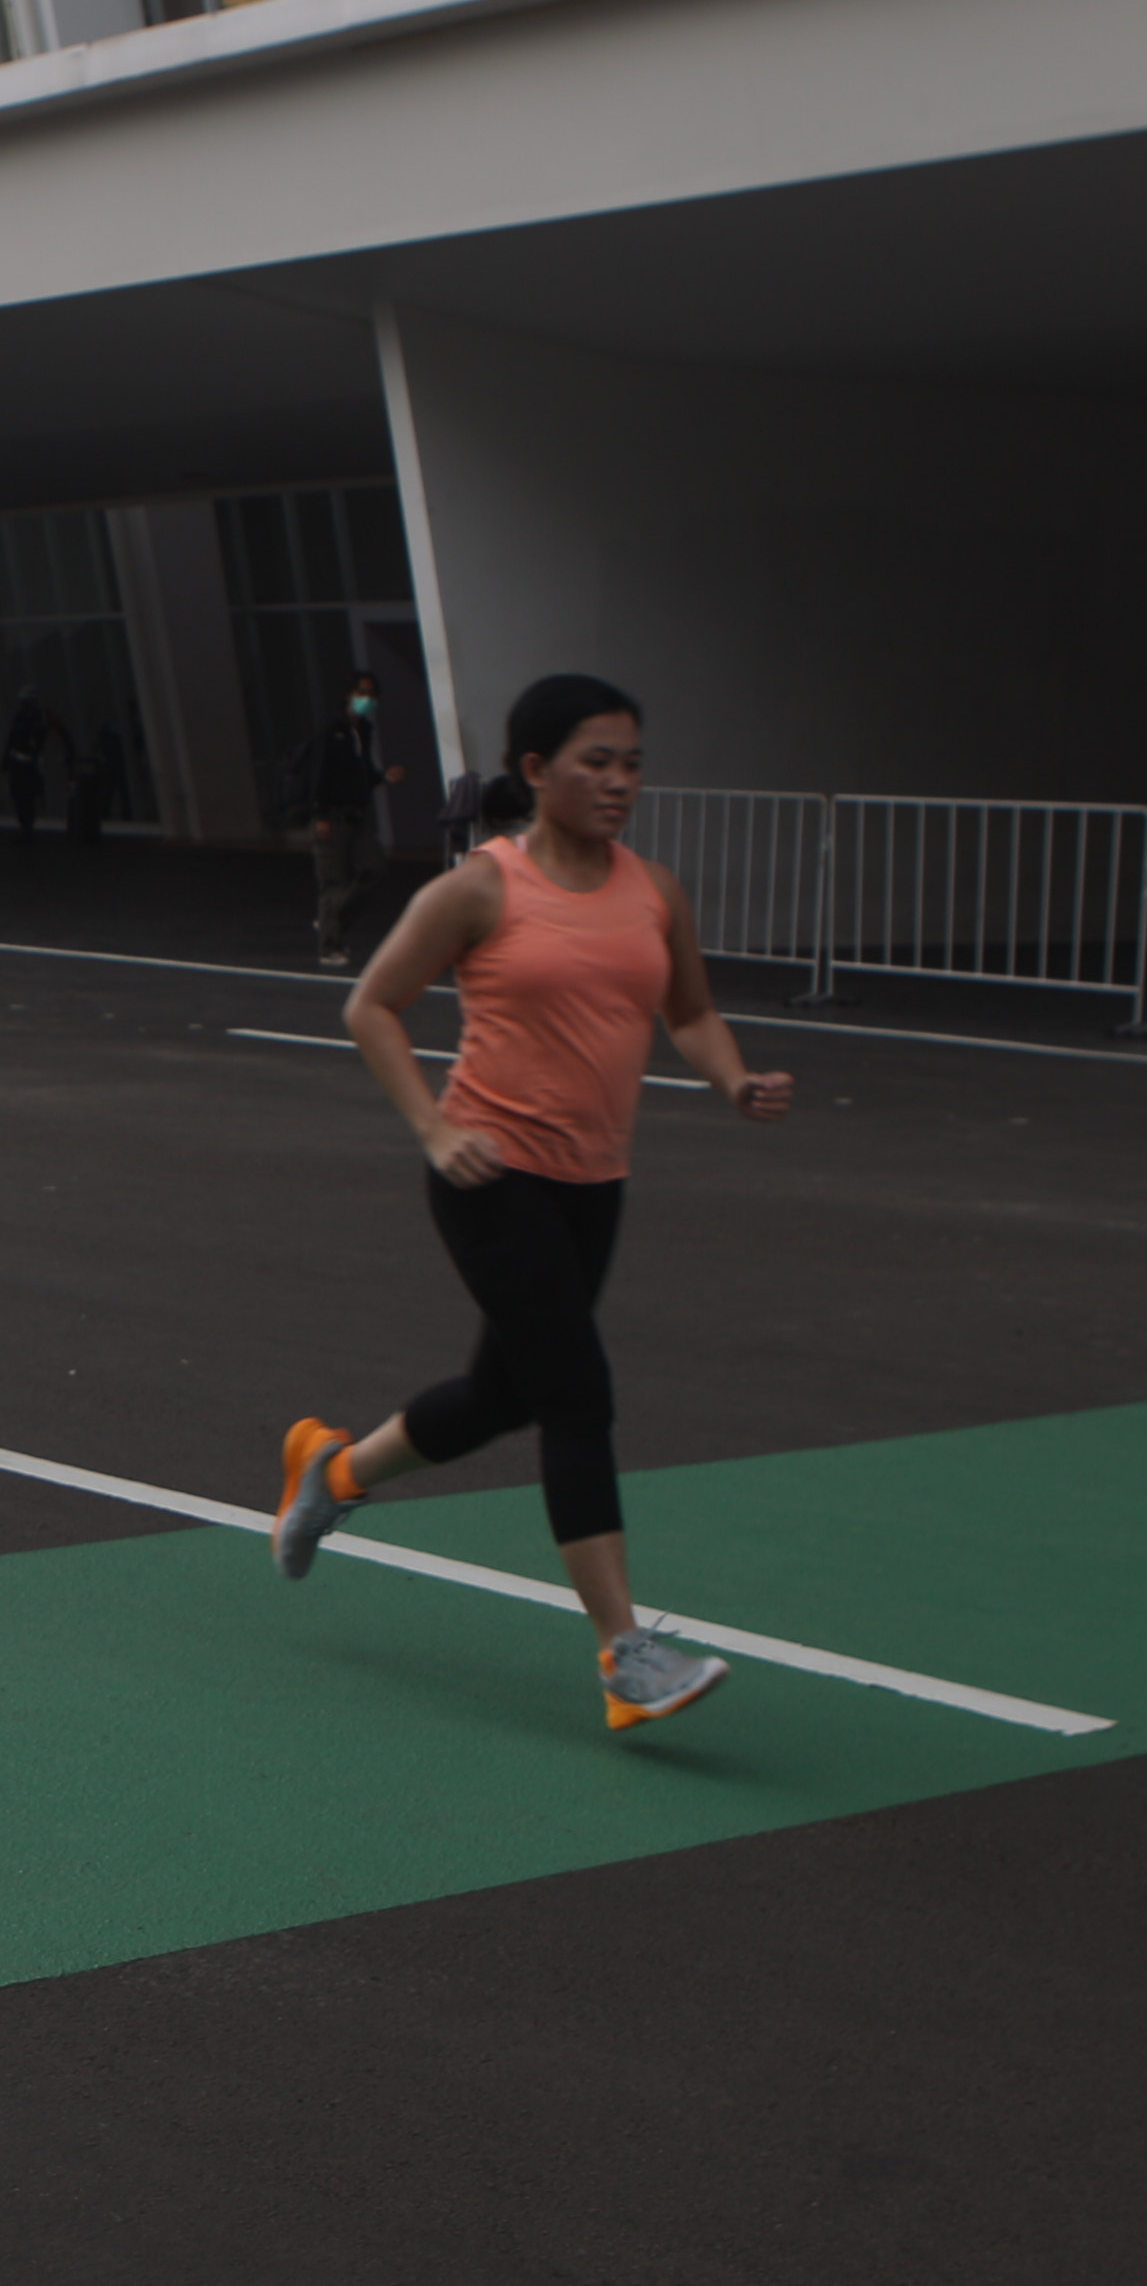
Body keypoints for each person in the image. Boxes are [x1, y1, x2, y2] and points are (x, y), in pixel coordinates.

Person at [267, 673, 796, 1731]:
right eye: (594, 762)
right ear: (534, 770)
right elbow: (370, 1006)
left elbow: (688, 1012)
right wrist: (432, 1125)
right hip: (488, 1177)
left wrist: (731, 1078)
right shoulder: (481, 888)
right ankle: (623, 1655)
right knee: (575, 1398)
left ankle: (332, 1470)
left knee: (503, 1395)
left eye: (632, 762)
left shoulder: (653, 890)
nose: (617, 782)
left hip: (593, 1185)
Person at [303, 669, 406, 967]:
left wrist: (384, 777)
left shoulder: (363, 730)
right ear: (349, 694)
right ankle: (330, 945)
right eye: (362, 693)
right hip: (331, 814)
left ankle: (331, 919)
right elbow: (318, 772)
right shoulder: (330, 728)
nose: (368, 700)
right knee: (332, 881)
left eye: (372, 695)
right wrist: (320, 813)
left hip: (355, 814)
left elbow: (361, 773)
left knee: (373, 868)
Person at [0, 692, 75, 841]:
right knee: (19, 795)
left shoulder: (44, 717)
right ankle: (25, 826)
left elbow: (62, 732)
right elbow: (11, 739)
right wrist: (5, 761)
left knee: (29, 794)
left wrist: (70, 751)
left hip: (30, 763)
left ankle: (28, 826)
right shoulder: (20, 718)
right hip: (18, 761)